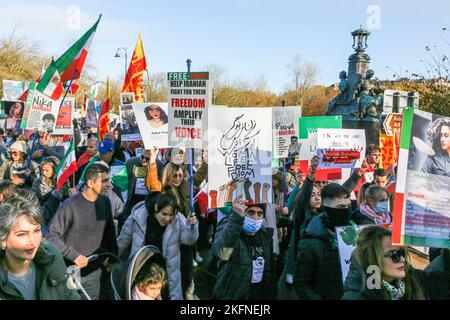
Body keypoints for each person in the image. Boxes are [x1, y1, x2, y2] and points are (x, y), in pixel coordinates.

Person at [46, 163, 118, 300]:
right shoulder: (69, 206)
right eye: (105, 181)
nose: (109, 184)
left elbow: (109, 232)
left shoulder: (105, 202)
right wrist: (74, 255)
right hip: (71, 271)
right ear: (90, 183)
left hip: (94, 272)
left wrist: (113, 257)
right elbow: (50, 236)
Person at [117, 191, 198, 300]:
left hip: (167, 272)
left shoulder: (178, 219)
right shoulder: (138, 215)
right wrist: (112, 259)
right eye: (164, 214)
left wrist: (191, 227)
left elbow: (188, 240)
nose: (168, 219)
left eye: (171, 215)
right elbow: (122, 241)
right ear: (155, 208)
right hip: (141, 270)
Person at [0, 191, 81, 300]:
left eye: (37, 230)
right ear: (3, 239)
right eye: (22, 234)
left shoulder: (52, 254)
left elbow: (69, 295)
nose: (32, 241)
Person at [342, 225, 448, 300]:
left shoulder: (413, 276)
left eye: (402, 253)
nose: (402, 259)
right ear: (371, 258)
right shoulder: (357, 295)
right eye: (393, 255)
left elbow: (444, 284)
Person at [293, 183, 352, 300]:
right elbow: (301, 283)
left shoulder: (355, 235)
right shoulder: (310, 241)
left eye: (348, 206)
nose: (346, 211)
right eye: (341, 207)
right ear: (326, 207)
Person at [212, 196, 277, 299]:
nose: (255, 218)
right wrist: (235, 218)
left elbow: (269, 271)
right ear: (243, 212)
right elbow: (221, 253)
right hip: (233, 295)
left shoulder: (265, 235)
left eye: (259, 213)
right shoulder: (229, 225)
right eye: (251, 212)